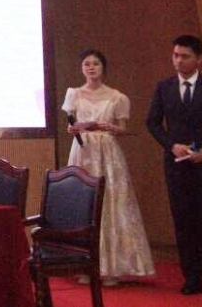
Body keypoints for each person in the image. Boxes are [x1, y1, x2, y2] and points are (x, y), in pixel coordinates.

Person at [146, 33, 202, 297]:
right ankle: (191, 277)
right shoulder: (164, 87)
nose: (178, 61)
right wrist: (171, 144)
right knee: (184, 222)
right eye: (176, 55)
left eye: (185, 56)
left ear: (199, 59)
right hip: (177, 166)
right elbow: (152, 122)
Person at [61, 48, 155, 285]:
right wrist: (73, 128)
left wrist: (110, 127)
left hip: (107, 151)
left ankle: (111, 267)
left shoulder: (117, 97)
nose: (91, 68)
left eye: (96, 64)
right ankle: (84, 264)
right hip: (83, 150)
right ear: (81, 68)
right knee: (84, 203)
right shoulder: (74, 94)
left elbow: (123, 128)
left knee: (111, 202)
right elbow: (70, 124)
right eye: (87, 64)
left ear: (103, 68)